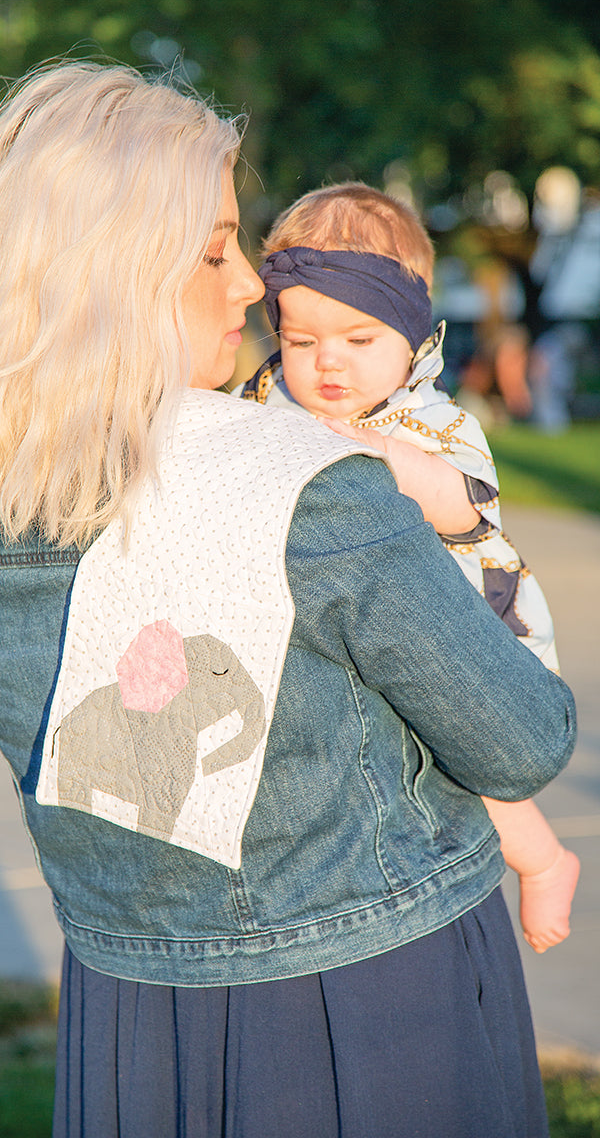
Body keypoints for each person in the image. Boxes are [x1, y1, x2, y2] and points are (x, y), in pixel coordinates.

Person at [0, 62, 576, 1138]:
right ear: (114, 269)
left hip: (129, 1004)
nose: (248, 285)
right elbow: (520, 740)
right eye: (213, 249)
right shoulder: (311, 482)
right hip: (368, 999)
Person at [239, 182, 580, 955]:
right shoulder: (265, 398)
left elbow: (462, 504)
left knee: (470, 754)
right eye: (301, 341)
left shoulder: (429, 422)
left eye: (359, 340)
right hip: (333, 623)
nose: (327, 363)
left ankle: (542, 859)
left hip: (450, 631)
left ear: (413, 334)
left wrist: (380, 459)